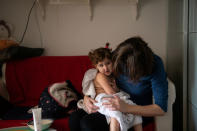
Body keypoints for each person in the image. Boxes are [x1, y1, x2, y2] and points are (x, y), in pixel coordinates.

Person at [69, 36, 168, 131]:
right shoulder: (120, 55)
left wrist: (127, 108)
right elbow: (98, 74)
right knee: (74, 118)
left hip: (134, 108)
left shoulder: (155, 65)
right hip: (112, 100)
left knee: (88, 124)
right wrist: (87, 97)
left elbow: (160, 109)